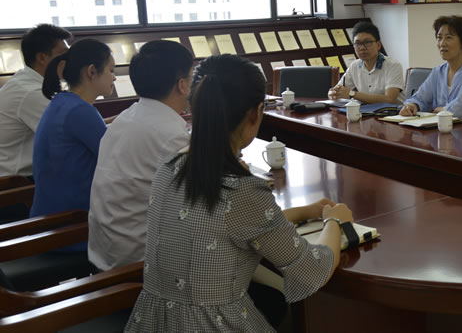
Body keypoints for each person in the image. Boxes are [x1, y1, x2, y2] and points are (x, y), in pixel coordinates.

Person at [125, 55, 353, 332]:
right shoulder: (241, 189)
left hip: (153, 320)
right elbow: (312, 269)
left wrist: (306, 212)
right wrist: (335, 221)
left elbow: (223, 223)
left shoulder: (170, 166)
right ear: (257, 113)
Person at [88, 41, 194, 271]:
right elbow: (198, 205)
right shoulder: (170, 135)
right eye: (192, 76)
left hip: (107, 251)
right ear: (183, 85)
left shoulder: (127, 116)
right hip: (139, 263)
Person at [30, 39, 115, 233]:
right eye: (111, 70)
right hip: (70, 225)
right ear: (91, 71)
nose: (114, 78)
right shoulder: (79, 110)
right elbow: (115, 160)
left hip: (53, 218)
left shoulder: (63, 102)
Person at [0, 24, 71, 177]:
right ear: (42, 58)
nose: (69, 60)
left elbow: (72, 125)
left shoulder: (26, 80)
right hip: (18, 183)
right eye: (64, 54)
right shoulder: (31, 93)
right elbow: (72, 134)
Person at [399, 15, 462, 119]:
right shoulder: (438, 72)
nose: (442, 43)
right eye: (439, 38)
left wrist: (443, 110)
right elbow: (420, 98)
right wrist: (413, 105)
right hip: (443, 127)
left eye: (449, 38)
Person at [328, 21, 405, 104]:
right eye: (358, 43)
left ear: (378, 45)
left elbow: (389, 99)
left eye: (367, 42)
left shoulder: (393, 66)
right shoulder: (354, 66)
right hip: (366, 110)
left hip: (393, 111)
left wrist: (352, 94)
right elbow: (338, 90)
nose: (362, 48)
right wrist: (333, 93)